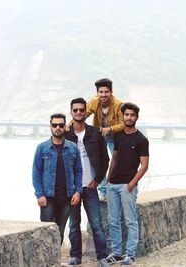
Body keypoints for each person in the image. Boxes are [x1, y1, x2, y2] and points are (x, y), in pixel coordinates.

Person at [64, 98, 109, 267]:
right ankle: (75, 257)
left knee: (97, 224)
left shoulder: (95, 133)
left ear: (85, 112)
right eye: (75, 110)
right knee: (74, 225)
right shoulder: (66, 134)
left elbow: (105, 159)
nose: (78, 113)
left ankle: (102, 257)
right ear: (71, 112)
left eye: (81, 110)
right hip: (72, 189)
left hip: (90, 187)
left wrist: (97, 180)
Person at [106, 103, 149, 265]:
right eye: (126, 115)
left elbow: (144, 165)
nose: (129, 117)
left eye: (132, 115)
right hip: (113, 185)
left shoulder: (141, 140)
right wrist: (108, 178)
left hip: (127, 186)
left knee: (130, 221)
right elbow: (114, 158)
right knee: (113, 221)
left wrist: (131, 184)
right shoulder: (119, 136)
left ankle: (130, 254)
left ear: (136, 117)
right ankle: (116, 253)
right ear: (122, 116)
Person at [32, 113, 82, 244]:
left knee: (59, 233)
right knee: (45, 233)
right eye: (55, 125)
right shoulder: (42, 148)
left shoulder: (73, 148)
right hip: (47, 198)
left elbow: (78, 170)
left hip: (66, 198)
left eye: (61, 125)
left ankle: (56, 262)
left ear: (65, 127)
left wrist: (78, 191)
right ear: (50, 127)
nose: (58, 127)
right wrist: (39, 194)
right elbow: (36, 172)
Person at [86, 78, 124, 200]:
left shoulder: (118, 104)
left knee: (117, 163)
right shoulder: (93, 102)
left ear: (111, 92)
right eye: (101, 92)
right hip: (99, 136)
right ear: (97, 93)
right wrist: (69, 125)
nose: (103, 95)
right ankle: (102, 191)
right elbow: (81, 114)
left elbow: (123, 124)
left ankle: (114, 188)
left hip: (115, 136)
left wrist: (111, 129)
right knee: (99, 163)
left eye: (106, 92)